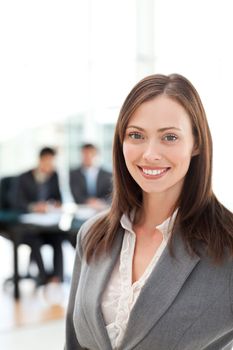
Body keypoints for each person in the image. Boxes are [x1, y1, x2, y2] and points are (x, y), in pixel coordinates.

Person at [65, 74, 233, 350]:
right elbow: (74, 343)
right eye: (136, 135)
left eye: (169, 137)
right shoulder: (92, 235)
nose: (150, 154)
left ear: (197, 143)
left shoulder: (226, 245)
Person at [13, 147, 64, 285]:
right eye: (48, 162)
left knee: (58, 238)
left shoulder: (54, 176)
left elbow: (59, 199)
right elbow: (16, 201)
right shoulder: (24, 177)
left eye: (52, 163)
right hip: (28, 228)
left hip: (47, 224)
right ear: (41, 161)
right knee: (34, 240)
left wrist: (54, 204)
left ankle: (57, 277)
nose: (50, 166)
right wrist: (34, 207)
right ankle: (44, 278)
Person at [70, 143, 112, 209]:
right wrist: (88, 202)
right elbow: (76, 195)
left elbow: (111, 194)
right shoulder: (74, 174)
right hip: (82, 209)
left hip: (102, 208)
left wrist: (100, 202)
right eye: (85, 154)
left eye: (91, 154)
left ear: (96, 155)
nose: (88, 156)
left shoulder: (107, 174)